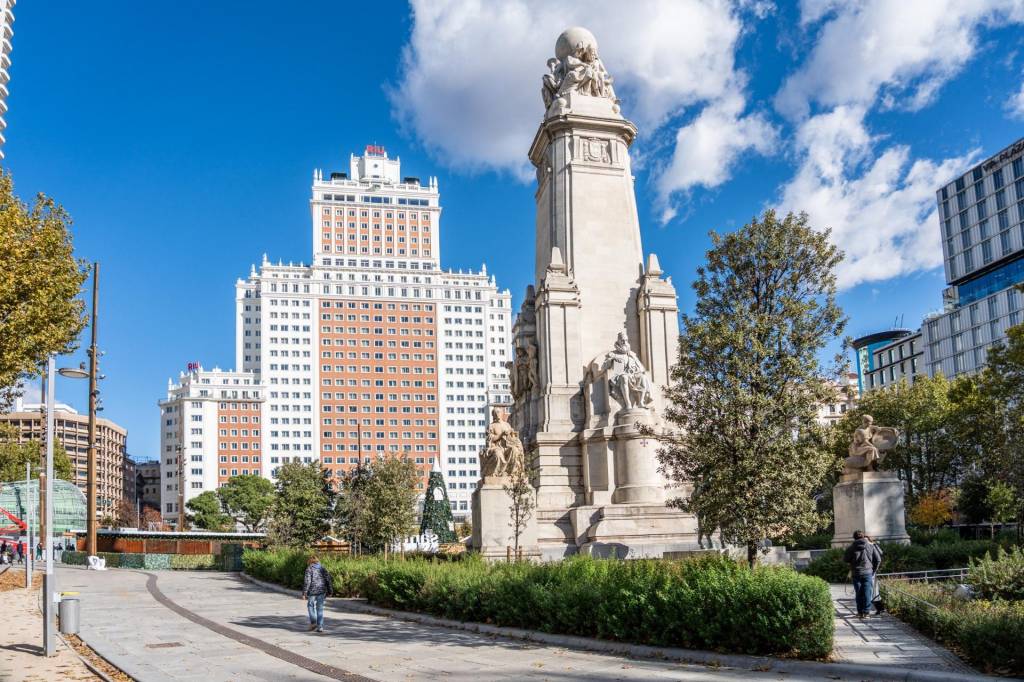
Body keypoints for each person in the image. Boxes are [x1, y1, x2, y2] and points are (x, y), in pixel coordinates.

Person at [844, 530, 883, 618]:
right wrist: (873, 570)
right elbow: (878, 559)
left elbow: (845, 559)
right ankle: (866, 612)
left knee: (858, 593)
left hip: (856, 573)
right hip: (868, 572)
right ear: (863, 537)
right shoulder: (870, 546)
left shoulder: (851, 548)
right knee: (867, 593)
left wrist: (852, 562)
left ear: (854, 538)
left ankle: (860, 612)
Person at [301, 555, 333, 633]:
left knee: (310, 605)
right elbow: (328, 580)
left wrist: (304, 593)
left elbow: (307, 581)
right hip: (321, 591)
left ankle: (313, 622)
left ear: (310, 561)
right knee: (320, 608)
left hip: (312, 591)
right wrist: (330, 591)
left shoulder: (309, 569)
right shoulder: (323, 568)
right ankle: (320, 627)